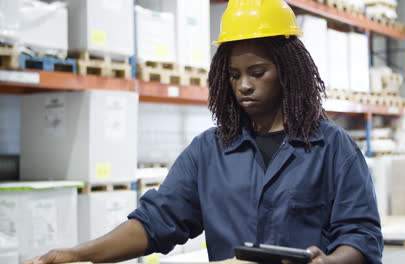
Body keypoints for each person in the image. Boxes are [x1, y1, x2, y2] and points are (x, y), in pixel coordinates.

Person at [24, 0, 383, 263]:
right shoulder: (209, 152)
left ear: (288, 71)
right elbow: (155, 222)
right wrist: (77, 254)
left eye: (257, 73)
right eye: (233, 75)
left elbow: (362, 237)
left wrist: (329, 262)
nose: (243, 85)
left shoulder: (332, 148)